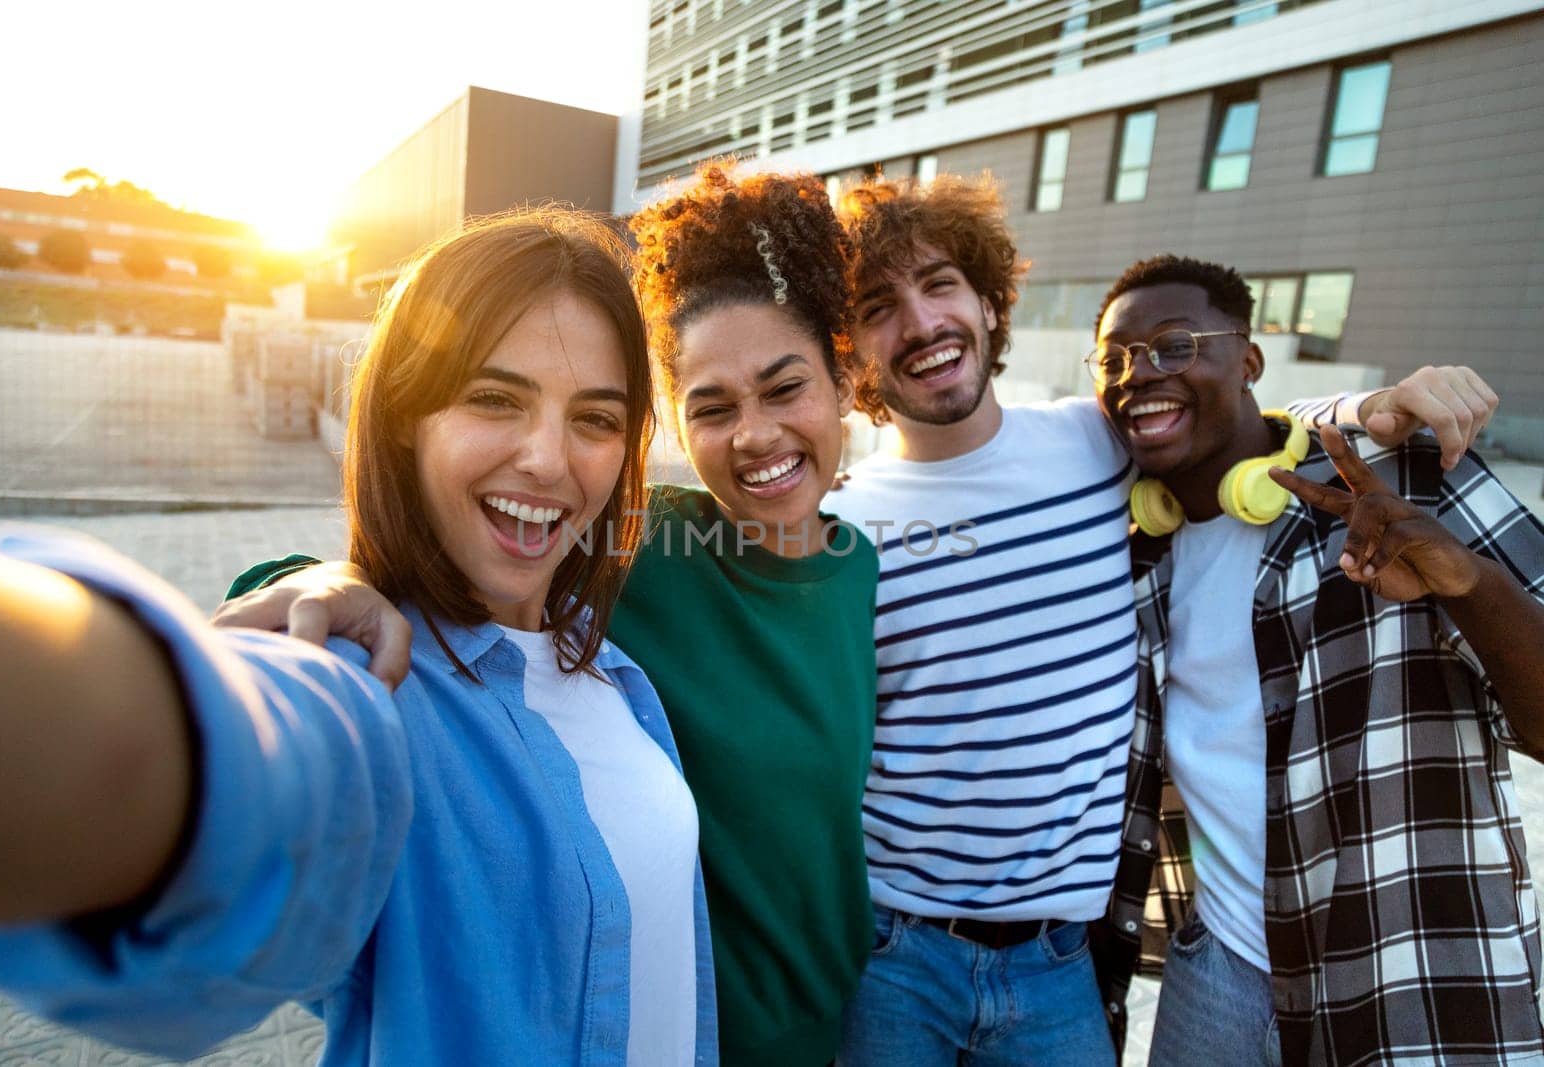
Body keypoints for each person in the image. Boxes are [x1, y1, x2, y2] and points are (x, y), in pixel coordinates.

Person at [0, 210, 718, 1065]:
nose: (547, 457)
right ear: (401, 419)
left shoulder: (616, 675)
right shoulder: (372, 682)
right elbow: (218, 773)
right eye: (495, 399)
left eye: (596, 419)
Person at [823, 174, 1500, 1064]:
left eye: (940, 284)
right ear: (851, 348)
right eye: (879, 306)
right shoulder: (846, 524)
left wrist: (1361, 412)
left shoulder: (1091, 444)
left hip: (1057, 964)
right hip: (897, 958)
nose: (920, 322)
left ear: (988, 306)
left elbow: (1229, 424)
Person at [219, 165, 882, 1066]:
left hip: (823, 1023)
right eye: (713, 407)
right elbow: (386, 595)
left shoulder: (857, 569)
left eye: (785, 388)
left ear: (843, 381)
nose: (755, 434)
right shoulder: (640, 551)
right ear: (678, 432)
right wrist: (317, 580)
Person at [1088, 255, 1544, 1065]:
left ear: (1249, 360)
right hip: (1217, 975)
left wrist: (1467, 581)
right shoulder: (1139, 557)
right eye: (1115, 358)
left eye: (1174, 346)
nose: (1138, 374)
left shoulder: (1401, 479)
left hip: (1412, 968)